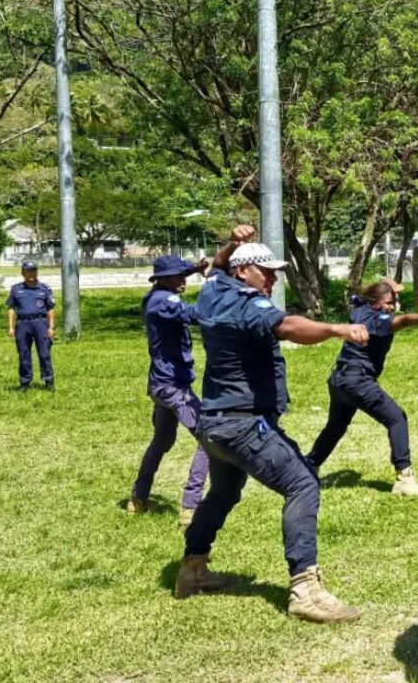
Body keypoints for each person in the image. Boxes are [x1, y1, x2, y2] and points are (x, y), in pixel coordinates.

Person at [174, 225, 371, 624]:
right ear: (245, 271)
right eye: (267, 271)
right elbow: (287, 327)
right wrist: (336, 329)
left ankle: (192, 569)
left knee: (224, 491)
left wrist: (232, 243)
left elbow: (216, 264)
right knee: (302, 483)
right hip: (243, 423)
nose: (274, 278)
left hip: (214, 422)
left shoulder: (214, 290)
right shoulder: (248, 304)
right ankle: (305, 589)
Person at [305, 279, 418, 496]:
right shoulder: (377, 320)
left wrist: (388, 285)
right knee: (396, 418)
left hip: (339, 379)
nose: (393, 306)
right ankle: (404, 477)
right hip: (358, 381)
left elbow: (364, 296)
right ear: (376, 303)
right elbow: (403, 321)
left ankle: (308, 467)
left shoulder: (360, 309)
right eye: (388, 303)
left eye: (393, 302)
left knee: (336, 427)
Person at [127, 254, 213, 526]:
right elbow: (197, 315)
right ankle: (190, 507)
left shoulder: (154, 296)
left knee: (162, 441)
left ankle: (138, 498)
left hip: (160, 384)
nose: (183, 280)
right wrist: (215, 285)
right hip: (173, 386)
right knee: (209, 438)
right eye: (177, 276)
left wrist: (192, 269)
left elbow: (176, 279)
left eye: (183, 275)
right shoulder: (166, 302)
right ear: (162, 279)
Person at [6, 261, 55, 392]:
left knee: (44, 353)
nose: (32, 273)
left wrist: (51, 327)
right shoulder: (16, 289)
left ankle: (48, 381)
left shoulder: (44, 288)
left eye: (34, 270)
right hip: (22, 324)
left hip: (40, 323)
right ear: (23, 273)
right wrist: (11, 327)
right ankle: (25, 383)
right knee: (24, 354)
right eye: (28, 271)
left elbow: (50, 308)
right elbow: (11, 308)